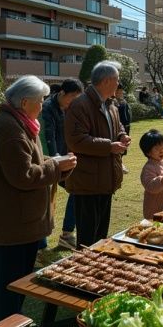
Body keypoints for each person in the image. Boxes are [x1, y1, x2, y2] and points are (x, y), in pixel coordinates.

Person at [0, 76, 76, 327]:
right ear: (24, 102)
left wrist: (56, 164)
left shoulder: (20, 122)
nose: (44, 105)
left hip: (19, 223)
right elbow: (23, 176)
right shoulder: (10, 128)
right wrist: (56, 165)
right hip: (13, 226)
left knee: (12, 286)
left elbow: (32, 164)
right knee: (7, 289)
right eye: (41, 100)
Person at [65, 61, 131, 248]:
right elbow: (76, 140)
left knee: (101, 238)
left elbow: (117, 127)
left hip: (106, 179)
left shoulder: (110, 104)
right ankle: (82, 275)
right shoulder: (80, 105)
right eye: (117, 80)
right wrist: (109, 146)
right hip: (87, 182)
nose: (118, 84)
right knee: (87, 240)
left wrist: (122, 136)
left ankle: (96, 273)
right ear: (107, 81)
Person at [40, 78, 83, 251]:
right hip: (48, 159)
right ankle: (40, 245)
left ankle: (66, 234)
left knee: (77, 189)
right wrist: (56, 159)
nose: (73, 102)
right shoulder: (48, 107)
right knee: (42, 199)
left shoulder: (68, 107)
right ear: (62, 93)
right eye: (72, 97)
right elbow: (49, 135)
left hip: (64, 157)